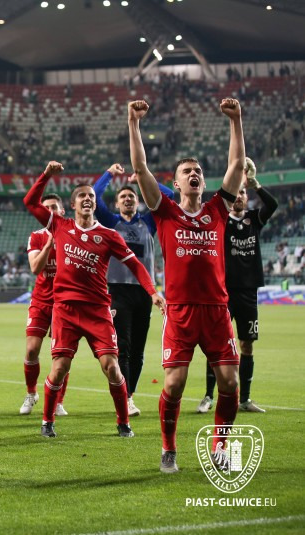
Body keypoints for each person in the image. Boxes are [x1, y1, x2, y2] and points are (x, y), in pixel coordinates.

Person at [128, 98, 246, 473]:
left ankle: (220, 446)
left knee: (230, 381)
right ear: (176, 183)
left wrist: (236, 120)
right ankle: (168, 449)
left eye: (197, 171)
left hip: (216, 310)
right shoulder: (165, 211)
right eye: (186, 171)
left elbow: (237, 165)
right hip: (180, 312)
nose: (193, 174)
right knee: (175, 384)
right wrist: (133, 123)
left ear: (203, 182)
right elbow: (140, 168)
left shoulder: (217, 210)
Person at [24, 161, 165, 440]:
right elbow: (30, 202)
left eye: (91, 195)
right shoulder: (59, 226)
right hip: (65, 309)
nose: (87, 198)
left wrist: (152, 291)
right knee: (60, 368)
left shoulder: (109, 235)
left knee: (111, 367)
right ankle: (47, 421)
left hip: (98, 310)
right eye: (82, 196)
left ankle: (123, 422)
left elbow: (135, 264)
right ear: (73, 205)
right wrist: (46, 175)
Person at [93, 165, 175, 416]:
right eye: (123, 197)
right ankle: (126, 397)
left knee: (138, 349)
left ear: (138, 202)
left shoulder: (148, 222)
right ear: (117, 204)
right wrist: (109, 174)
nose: (128, 199)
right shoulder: (111, 223)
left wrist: (141, 179)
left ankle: (130, 395)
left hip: (143, 292)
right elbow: (95, 196)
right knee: (124, 346)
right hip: (117, 291)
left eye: (132, 196)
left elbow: (169, 195)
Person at [199, 157, 277, 414]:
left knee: (247, 345)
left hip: (248, 293)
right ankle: (208, 396)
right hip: (223, 292)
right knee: (216, 344)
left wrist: (254, 183)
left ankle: (245, 399)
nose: (240, 197)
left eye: (243, 193)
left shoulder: (255, 219)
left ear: (247, 196)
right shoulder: (221, 221)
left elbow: (273, 204)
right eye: (237, 193)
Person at [20, 194, 70, 417]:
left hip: (64, 302)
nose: (50, 211)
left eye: (54, 207)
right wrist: (49, 244)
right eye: (46, 207)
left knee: (62, 355)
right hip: (41, 300)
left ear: (62, 212)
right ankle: (31, 393)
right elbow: (35, 268)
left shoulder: (72, 236)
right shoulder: (36, 236)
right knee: (32, 350)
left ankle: (58, 401)